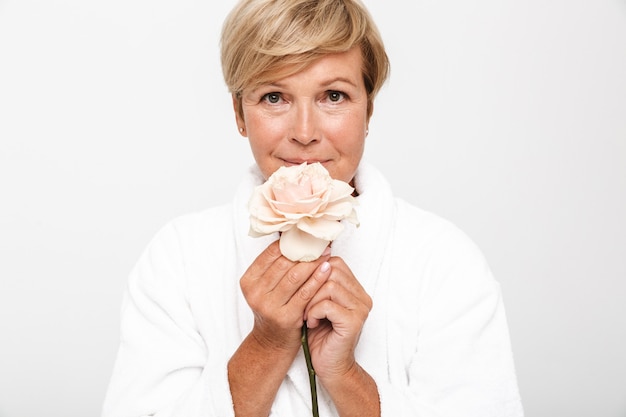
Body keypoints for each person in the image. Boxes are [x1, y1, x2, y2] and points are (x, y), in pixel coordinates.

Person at [102, 0, 524, 416]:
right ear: (239, 113)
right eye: (273, 97)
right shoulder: (177, 258)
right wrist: (266, 346)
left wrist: (344, 375)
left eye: (334, 95)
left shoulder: (444, 260)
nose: (304, 133)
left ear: (369, 110)